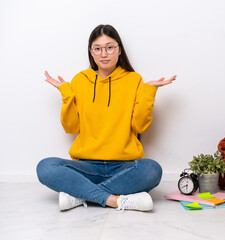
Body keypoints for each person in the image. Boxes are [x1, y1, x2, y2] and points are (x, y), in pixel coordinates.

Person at [36, 24, 176, 212]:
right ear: (91, 52)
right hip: (87, 167)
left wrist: (149, 91)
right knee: (45, 167)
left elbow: (140, 126)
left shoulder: (134, 80)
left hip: (124, 167)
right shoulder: (80, 80)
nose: (104, 54)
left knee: (152, 170)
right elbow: (71, 128)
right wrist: (66, 94)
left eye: (110, 47)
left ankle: (80, 195)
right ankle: (115, 200)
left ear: (119, 50)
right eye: (98, 48)